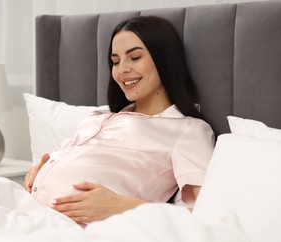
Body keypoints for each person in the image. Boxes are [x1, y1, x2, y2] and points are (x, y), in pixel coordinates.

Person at [23, 16, 215, 225]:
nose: (122, 69)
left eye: (134, 57)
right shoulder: (98, 118)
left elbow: (210, 215)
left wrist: (123, 206)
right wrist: (39, 171)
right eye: (115, 61)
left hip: (76, 230)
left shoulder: (187, 130)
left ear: (164, 59)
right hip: (28, 211)